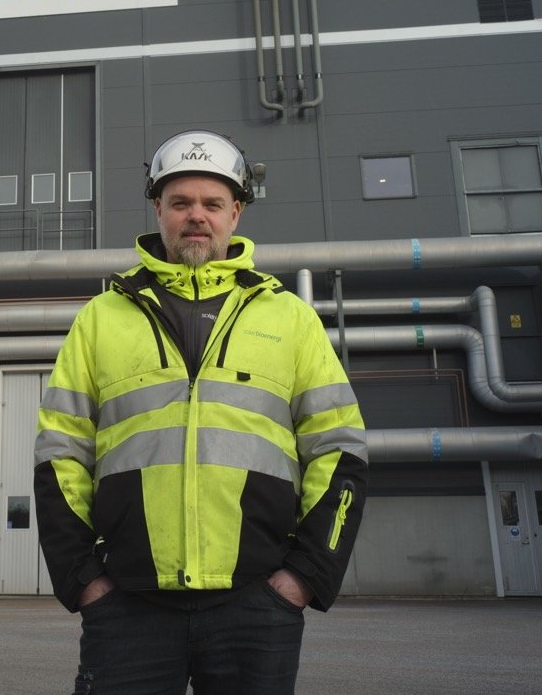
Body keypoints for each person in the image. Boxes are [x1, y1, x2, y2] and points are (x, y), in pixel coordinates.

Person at [35, 130, 369, 694]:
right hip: (129, 606)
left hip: (257, 603)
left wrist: (304, 578)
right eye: (181, 202)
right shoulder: (101, 318)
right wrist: (86, 581)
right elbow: (59, 453)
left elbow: (339, 451)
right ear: (157, 209)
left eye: (212, 204)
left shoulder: (290, 318)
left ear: (235, 213)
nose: (197, 216)